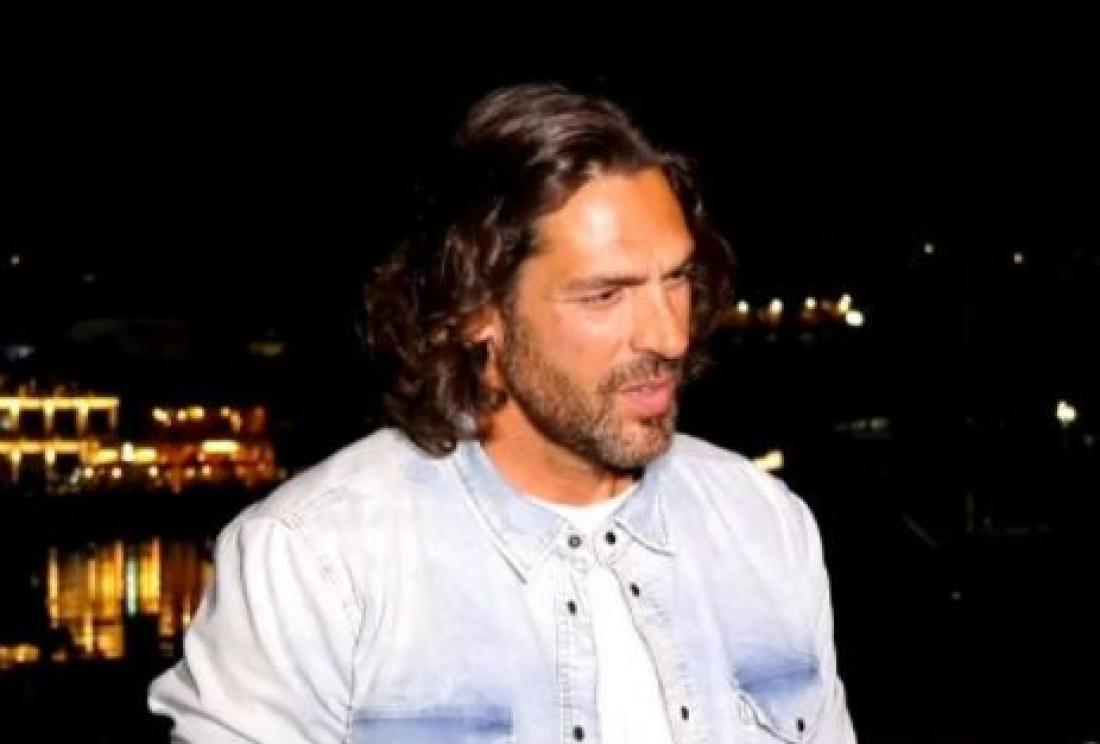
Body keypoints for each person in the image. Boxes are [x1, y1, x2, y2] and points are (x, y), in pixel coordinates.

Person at [149, 82, 857, 743]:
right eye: (606, 295)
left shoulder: (766, 525)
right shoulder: (314, 562)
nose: (669, 335)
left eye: (675, 279)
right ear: (478, 311)